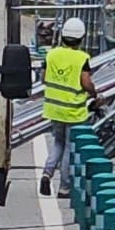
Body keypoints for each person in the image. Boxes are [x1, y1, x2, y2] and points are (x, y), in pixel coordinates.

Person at [39, 17, 103, 199]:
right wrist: (94, 94)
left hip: (53, 107)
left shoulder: (51, 54)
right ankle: (64, 187)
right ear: (81, 38)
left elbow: (43, 77)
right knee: (68, 146)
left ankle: (47, 172)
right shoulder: (82, 58)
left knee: (57, 142)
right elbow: (86, 82)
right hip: (73, 110)